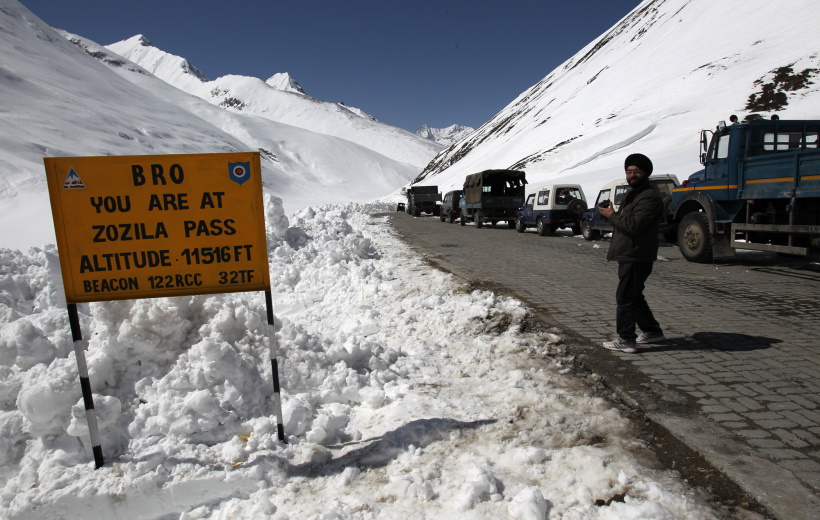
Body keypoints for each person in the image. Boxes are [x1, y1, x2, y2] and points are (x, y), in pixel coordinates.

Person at [597, 153, 666, 353]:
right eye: (629, 171)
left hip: (637, 254)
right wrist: (610, 215)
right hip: (629, 252)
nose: (632, 175)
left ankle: (626, 339)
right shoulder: (634, 194)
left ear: (646, 173)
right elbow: (624, 222)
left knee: (626, 297)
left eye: (637, 171)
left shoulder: (650, 198)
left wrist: (613, 215)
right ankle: (652, 331)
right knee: (634, 295)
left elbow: (634, 225)